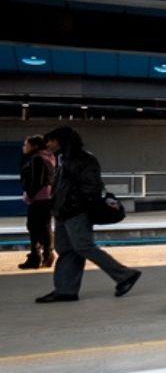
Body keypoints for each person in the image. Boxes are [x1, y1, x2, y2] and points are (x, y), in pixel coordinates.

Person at [36, 126, 139, 303]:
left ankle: (125, 275)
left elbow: (91, 187)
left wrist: (73, 205)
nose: (48, 144)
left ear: (62, 140)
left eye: (51, 140)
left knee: (83, 247)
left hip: (75, 212)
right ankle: (65, 290)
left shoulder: (83, 160)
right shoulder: (63, 159)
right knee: (66, 250)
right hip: (62, 212)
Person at [18, 136, 56, 269]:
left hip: (38, 198)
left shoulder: (36, 158)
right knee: (45, 227)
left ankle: (35, 257)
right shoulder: (50, 157)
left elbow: (36, 180)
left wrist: (29, 195)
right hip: (48, 197)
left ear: (34, 146)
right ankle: (47, 254)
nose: (24, 147)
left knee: (33, 227)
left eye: (25, 144)